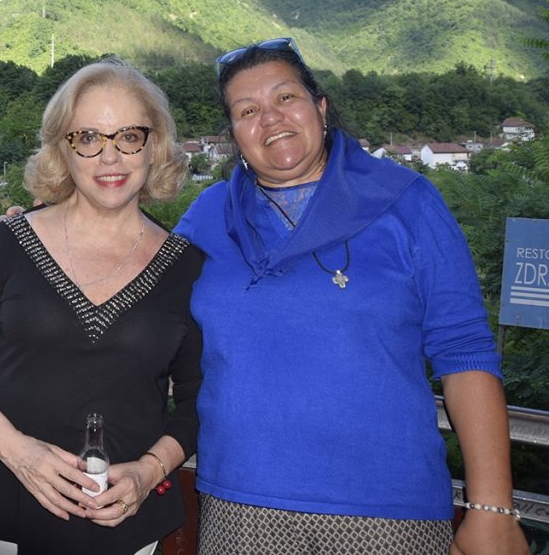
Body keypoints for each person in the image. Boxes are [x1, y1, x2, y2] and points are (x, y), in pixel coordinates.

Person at [173, 37, 528, 555]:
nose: (270, 118)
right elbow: (145, 307)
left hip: (386, 510)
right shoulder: (208, 215)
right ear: (233, 135)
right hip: (238, 504)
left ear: (320, 107)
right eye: (247, 110)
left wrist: (492, 508)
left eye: (286, 97)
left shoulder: (407, 202)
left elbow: (465, 351)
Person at [0, 57, 204, 554]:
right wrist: (18, 452)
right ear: (63, 148)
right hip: (3, 513)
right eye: (88, 138)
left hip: (122, 527)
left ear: (155, 145)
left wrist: (149, 472)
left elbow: (197, 399)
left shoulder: (187, 267)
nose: (110, 157)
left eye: (129, 136)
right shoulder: (12, 241)